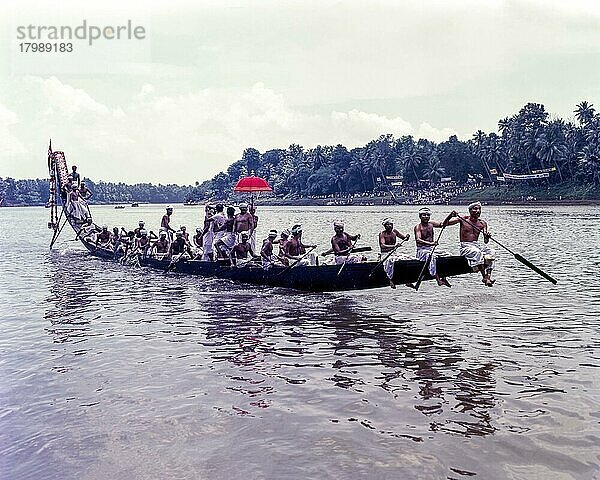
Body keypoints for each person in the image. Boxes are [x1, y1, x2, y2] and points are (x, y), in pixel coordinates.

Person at [446, 202, 496, 286]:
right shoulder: (463, 219)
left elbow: (485, 241)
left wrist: (487, 236)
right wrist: (450, 215)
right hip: (466, 246)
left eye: (479, 209)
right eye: (475, 209)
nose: (478, 211)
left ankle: (488, 276)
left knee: (492, 252)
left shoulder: (482, 223)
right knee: (477, 252)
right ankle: (484, 277)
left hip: (476, 245)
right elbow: (445, 224)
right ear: (470, 211)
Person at [413, 207, 453, 288]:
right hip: (422, 250)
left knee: (448, 254)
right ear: (420, 216)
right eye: (424, 215)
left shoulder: (431, 224)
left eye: (428, 215)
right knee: (431, 256)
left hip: (431, 249)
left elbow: (443, 224)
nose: (426, 217)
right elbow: (418, 240)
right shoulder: (418, 227)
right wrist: (431, 243)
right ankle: (438, 280)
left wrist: (449, 216)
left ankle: (444, 277)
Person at [378, 217, 410, 289]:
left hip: (394, 253)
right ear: (384, 226)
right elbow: (383, 245)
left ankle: (406, 280)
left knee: (406, 259)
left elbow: (404, 238)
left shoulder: (395, 232)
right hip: (385, 254)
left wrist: (407, 237)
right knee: (389, 261)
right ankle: (390, 279)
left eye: (391, 224)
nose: (389, 226)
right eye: (387, 225)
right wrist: (394, 246)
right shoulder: (382, 234)